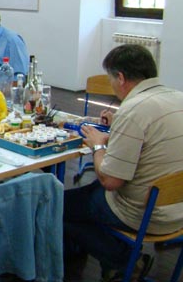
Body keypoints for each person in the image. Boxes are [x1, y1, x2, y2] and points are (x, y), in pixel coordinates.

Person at [63, 44, 183, 281]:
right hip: (178, 209)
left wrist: (98, 145)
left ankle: (125, 260)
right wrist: (118, 125)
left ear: (120, 77)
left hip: (146, 214)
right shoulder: (176, 97)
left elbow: (110, 181)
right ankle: (110, 262)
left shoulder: (134, 110)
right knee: (84, 196)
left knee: (58, 206)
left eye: (111, 79)